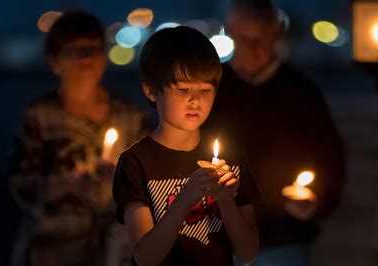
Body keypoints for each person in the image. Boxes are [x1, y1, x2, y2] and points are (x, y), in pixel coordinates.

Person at [204, 0, 346, 265]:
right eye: (244, 38)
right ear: (230, 33)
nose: (253, 47)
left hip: (285, 241)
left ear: (276, 31)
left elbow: (331, 160)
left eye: (260, 37)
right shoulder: (209, 93)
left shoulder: (303, 94)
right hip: (220, 241)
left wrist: (315, 203)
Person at [112, 26, 262, 266]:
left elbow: (248, 253)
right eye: (183, 89)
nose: (196, 100)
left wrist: (225, 201)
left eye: (205, 89)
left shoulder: (231, 156)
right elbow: (145, 258)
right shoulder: (136, 162)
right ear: (151, 89)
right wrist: (186, 198)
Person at [9, 11, 144, 266]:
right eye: (74, 50)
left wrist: (119, 180)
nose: (85, 58)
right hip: (52, 251)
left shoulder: (130, 117)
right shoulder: (40, 117)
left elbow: (148, 182)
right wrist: (66, 184)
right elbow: (21, 185)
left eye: (93, 48)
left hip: (115, 251)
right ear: (54, 61)